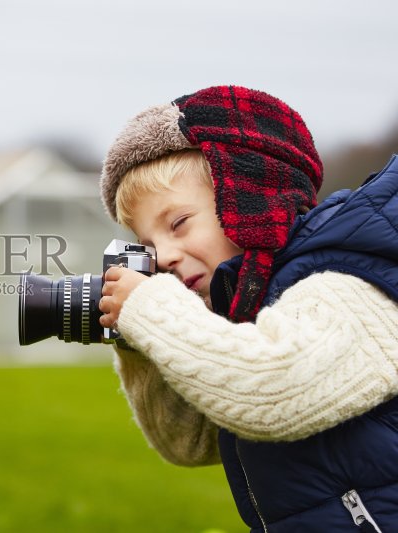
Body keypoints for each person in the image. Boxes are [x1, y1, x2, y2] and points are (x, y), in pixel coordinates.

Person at [96, 85, 398, 532]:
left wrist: (151, 308)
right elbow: (189, 443)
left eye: (178, 223)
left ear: (249, 195)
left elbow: (274, 389)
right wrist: (139, 340)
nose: (165, 257)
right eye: (149, 246)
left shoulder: (348, 281)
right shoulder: (256, 303)